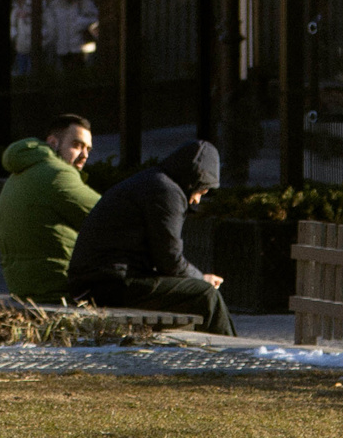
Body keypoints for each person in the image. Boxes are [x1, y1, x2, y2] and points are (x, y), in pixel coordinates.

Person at [64, 139, 234, 335]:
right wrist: (202, 279)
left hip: (96, 282)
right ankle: (236, 358)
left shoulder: (153, 182)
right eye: (201, 191)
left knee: (200, 291)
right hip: (107, 285)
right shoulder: (166, 192)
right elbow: (169, 260)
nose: (197, 200)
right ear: (193, 180)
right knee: (206, 295)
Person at [0, 114, 101, 303]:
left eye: (88, 148)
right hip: (60, 287)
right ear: (53, 142)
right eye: (77, 145)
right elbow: (109, 217)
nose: (84, 155)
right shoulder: (57, 174)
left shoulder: (20, 172)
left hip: (23, 286)